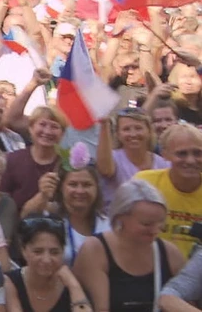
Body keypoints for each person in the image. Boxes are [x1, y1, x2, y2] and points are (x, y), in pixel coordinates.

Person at [73, 179, 185, 312]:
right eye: (146, 224)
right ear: (120, 219)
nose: (155, 230)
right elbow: (101, 308)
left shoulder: (170, 253)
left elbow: (188, 302)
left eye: (160, 223)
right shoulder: (95, 249)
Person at [134, 123, 202, 258]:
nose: (190, 160)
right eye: (181, 154)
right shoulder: (145, 183)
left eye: (198, 153)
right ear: (164, 154)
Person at [3, 215, 91, 312]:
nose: (46, 260)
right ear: (23, 250)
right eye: (38, 251)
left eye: (54, 252)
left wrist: (73, 285)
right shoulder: (10, 282)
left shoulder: (72, 283)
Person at [96, 108, 169, 210]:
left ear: (149, 131)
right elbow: (105, 170)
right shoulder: (113, 158)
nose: (133, 134)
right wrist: (104, 124)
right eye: (126, 129)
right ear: (118, 134)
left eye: (138, 128)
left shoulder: (163, 164)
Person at [0, 107, 68, 215]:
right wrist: (42, 195)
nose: (47, 131)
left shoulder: (67, 165)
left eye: (54, 127)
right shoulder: (12, 161)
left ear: (63, 133)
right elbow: (2, 205)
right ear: (31, 128)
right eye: (42, 124)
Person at [53, 165, 109, 266]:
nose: (80, 191)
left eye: (87, 185)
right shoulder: (51, 224)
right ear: (61, 187)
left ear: (97, 188)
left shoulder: (108, 226)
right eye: (73, 184)